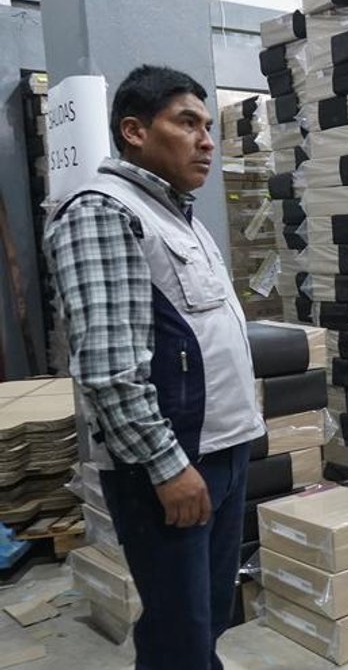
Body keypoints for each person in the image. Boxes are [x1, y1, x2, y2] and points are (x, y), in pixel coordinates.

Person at [44, 65, 264, 670]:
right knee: (178, 631)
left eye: (208, 127)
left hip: (220, 450)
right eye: (187, 124)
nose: (207, 141)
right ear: (135, 131)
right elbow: (108, 367)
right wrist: (167, 468)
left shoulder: (177, 215)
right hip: (173, 463)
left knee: (208, 616)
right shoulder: (102, 211)